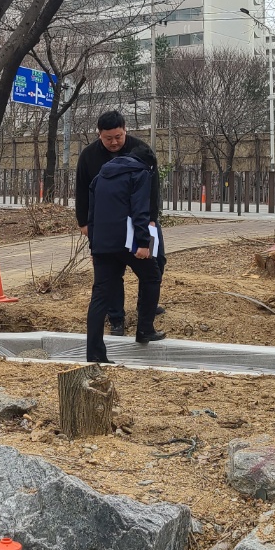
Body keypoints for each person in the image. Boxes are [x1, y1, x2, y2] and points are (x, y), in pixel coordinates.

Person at [74, 109, 166, 335]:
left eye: (118, 137)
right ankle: (116, 317)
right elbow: (82, 190)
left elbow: (152, 190)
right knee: (110, 272)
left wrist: (152, 220)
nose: (114, 142)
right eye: (108, 139)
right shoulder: (89, 156)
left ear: (126, 130)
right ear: (99, 135)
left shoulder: (140, 150)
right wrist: (84, 222)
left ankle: (146, 307)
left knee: (157, 262)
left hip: (141, 220)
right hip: (107, 224)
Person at [85, 152, 164, 363]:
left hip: (102, 244)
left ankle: (94, 354)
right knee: (152, 277)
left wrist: (94, 246)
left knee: (100, 296)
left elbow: (91, 215)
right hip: (128, 243)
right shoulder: (140, 174)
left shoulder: (99, 178)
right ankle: (145, 329)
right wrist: (143, 242)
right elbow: (140, 210)